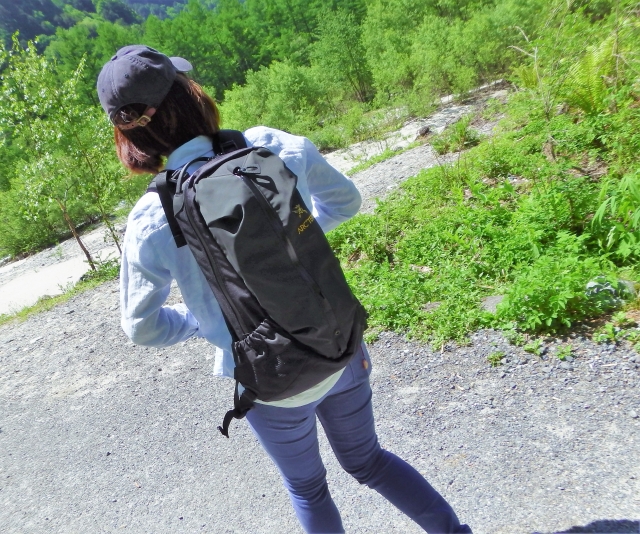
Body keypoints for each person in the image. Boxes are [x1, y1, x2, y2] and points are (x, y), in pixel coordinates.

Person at [98, 45, 472, 534]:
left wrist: (198, 323)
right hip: (337, 342)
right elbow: (345, 201)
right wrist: (297, 239)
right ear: (190, 95)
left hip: (269, 378)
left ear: (130, 135)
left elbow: (141, 328)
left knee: (308, 489)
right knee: (369, 461)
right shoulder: (270, 145)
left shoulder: (152, 217)